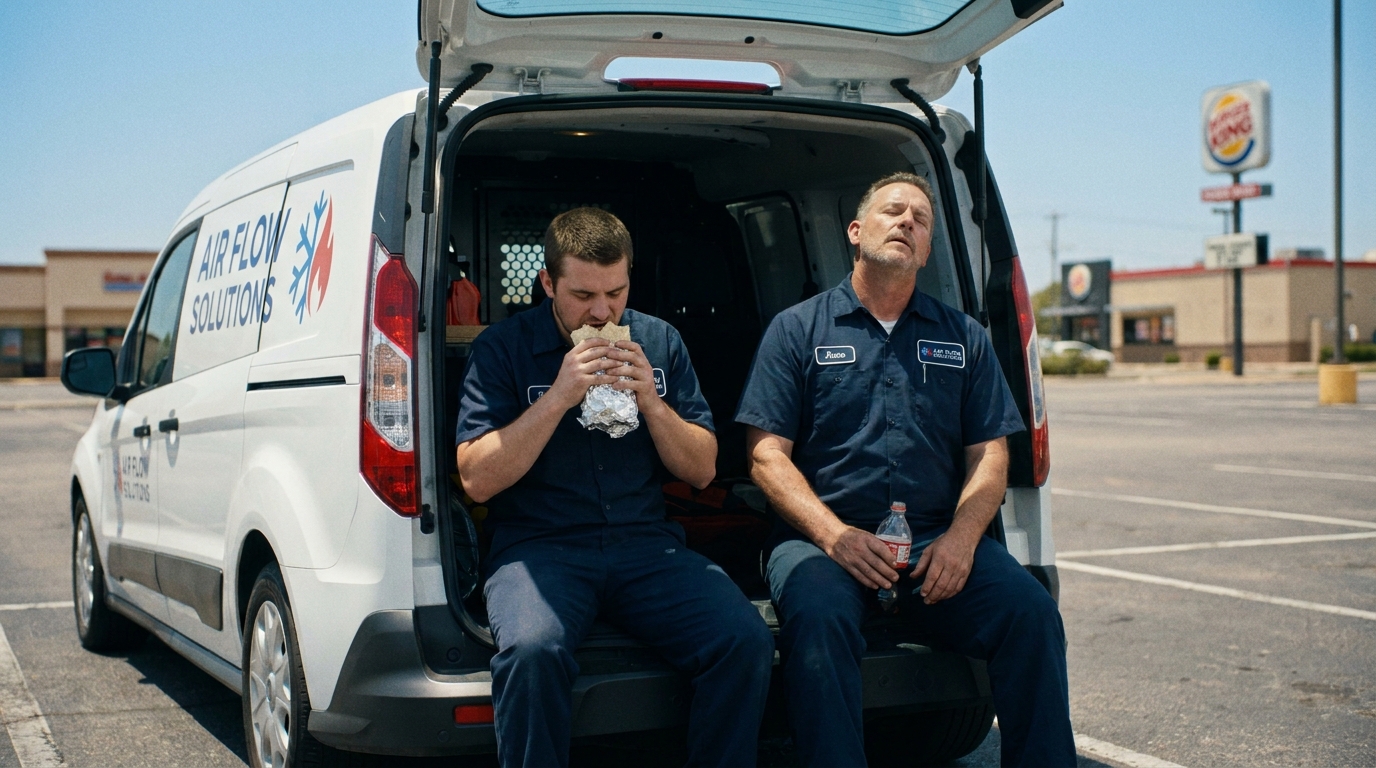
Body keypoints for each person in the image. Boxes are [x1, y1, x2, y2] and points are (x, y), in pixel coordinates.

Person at [735, 173, 1075, 767]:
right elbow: (766, 456)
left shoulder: (963, 337)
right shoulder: (796, 330)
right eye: (894, 211)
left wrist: (963, 541)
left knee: (1030, 613)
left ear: (926, 247)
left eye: (921, 219)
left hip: (935, 544)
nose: (908, 223)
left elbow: (991, 455)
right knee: (817, 617)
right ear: (856, 230)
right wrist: (834, 537)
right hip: (822, 540)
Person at [455, 207, 774, 768]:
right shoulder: (501, 348)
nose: (602, 312)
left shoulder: (659, 340)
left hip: (644, 544)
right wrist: (558, 396)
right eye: (582, 295)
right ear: (548, 282)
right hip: (539, 548)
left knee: (744, 638)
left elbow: (702, 468)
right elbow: (476, 479)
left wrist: (650, 399)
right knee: (532, 652)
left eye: (616, 292)